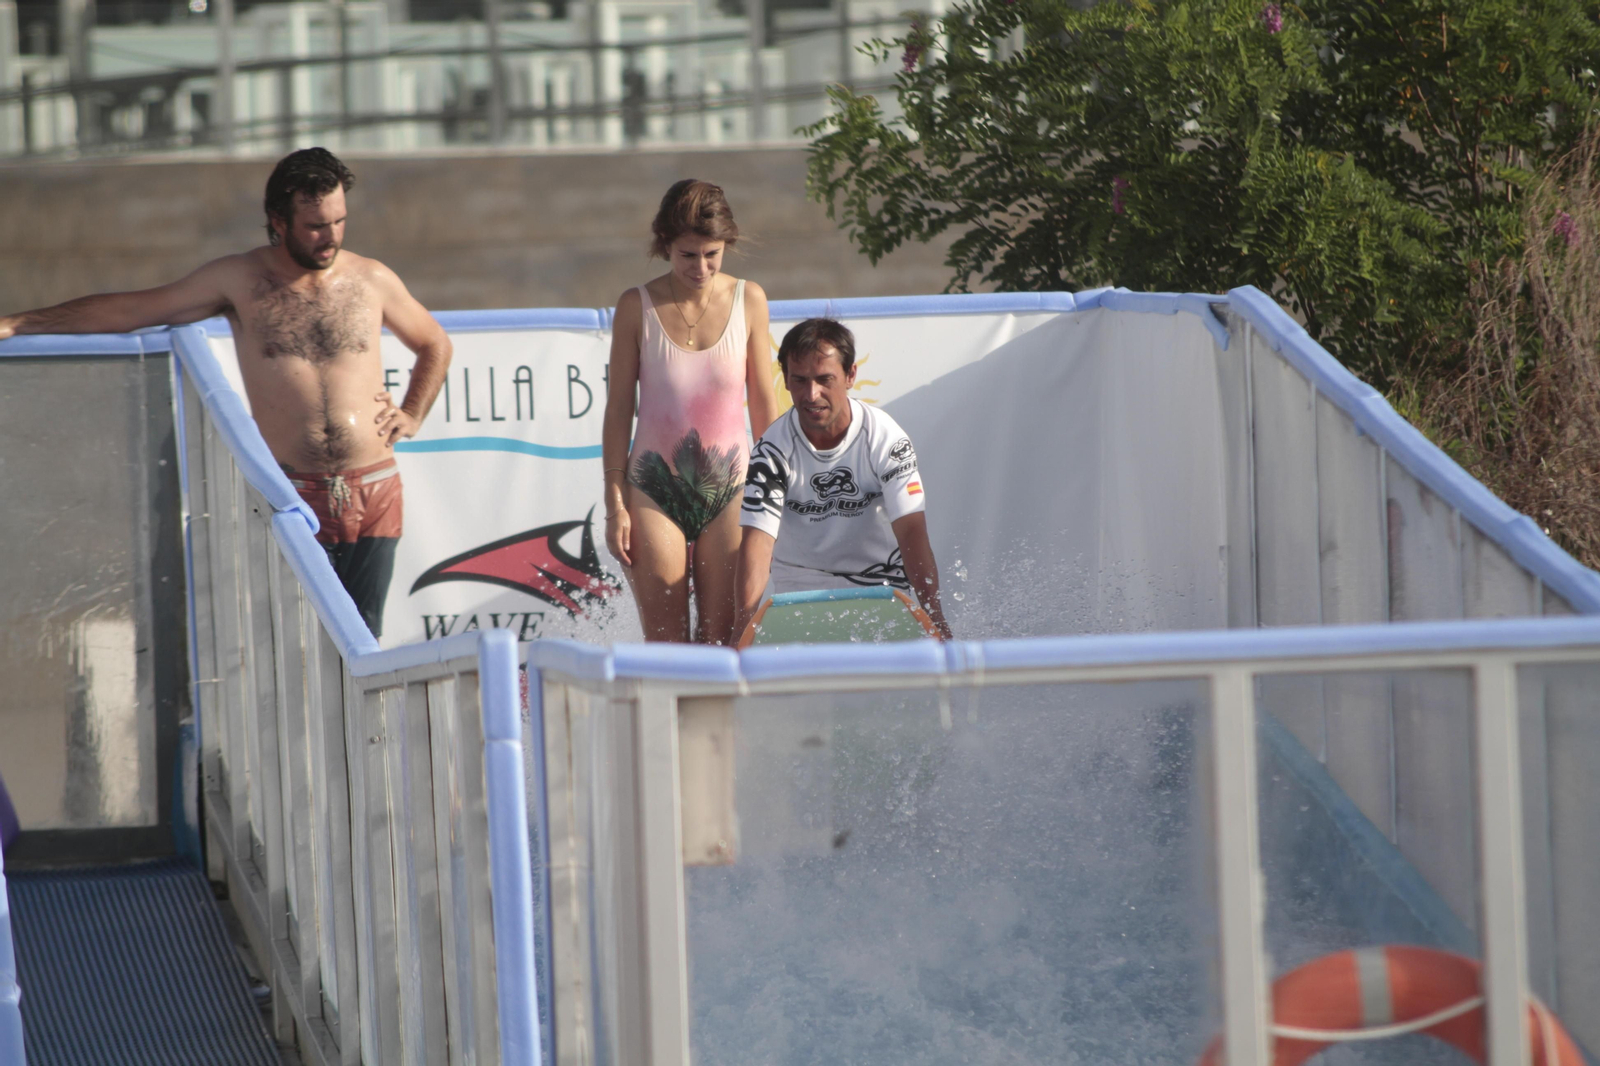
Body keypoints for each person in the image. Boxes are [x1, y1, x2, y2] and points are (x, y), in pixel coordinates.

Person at [0, 148, 451, 638]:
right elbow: (135, 309)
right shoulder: (240, 280)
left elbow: (435, 343)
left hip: (375, 488)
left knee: (365, 637)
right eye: (316, 226)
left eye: (339, 222)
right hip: (293, 494)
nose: (331, 237)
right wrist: (23, 323)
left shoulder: (371, 278)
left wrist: (412, 412)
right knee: (300, 640)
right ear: (278, 221)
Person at [602, 179, 779, 644]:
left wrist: (778, 494)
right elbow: (618, 410)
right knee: (667, 645)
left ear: (726, 245)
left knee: (723, 641)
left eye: (711, 254)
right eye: (687, 255)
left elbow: (764, 403)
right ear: (665, 245)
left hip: (733, 486)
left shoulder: (750, 300)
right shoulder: (635, 306)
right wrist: (615, 503)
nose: (700, 267)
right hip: (653, 488)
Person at [734, 318, 954, 641]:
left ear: (851, 375)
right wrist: (741, 630)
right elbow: (757, 544)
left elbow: (911, 533)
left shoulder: (886, 438)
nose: (812, 394)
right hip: (800, 596)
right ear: (786, 380)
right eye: (800, 380)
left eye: (825, 379)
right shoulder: (771, 450)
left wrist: (936, 618)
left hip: (880, 590)